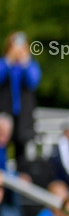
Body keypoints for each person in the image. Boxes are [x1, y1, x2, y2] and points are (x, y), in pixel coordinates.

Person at [0, 32, 42, 172]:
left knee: (22, 152)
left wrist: (25, 62)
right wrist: (8, 60)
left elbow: (33, 82)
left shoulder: (30, 64)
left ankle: (20, 186)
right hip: (4, 115)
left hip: (23, 116)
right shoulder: (4, 62)